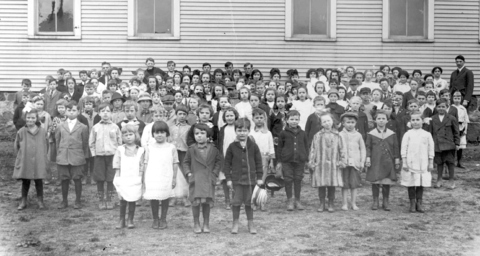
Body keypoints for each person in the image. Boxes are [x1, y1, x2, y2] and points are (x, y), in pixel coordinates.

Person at [224, 118, 263, 234]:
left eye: (244, 130)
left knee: (249, 202)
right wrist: (228, 179)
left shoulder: (254, 146)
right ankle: (235, 223)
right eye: (239, 130)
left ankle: (250, 224)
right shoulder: (231, 147)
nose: (242, 133)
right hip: (236, 181)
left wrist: (259, 178)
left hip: (250, 180)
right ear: (235, 131)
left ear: (248, 131)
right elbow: (227, 164)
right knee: (236, 203)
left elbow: (258, 163)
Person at [182, 123, 222, 234]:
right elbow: (185, 162)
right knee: (195, 202)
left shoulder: (214, 149)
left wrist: (214, 174)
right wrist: (189, 174)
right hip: (196, 179)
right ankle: (196, 223)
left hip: (208, 179)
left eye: (202, 133)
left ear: (208, 134)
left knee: (206, 202)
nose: (199, 136)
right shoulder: (191, 149)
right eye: (196, 133)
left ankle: (206, 223)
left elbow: (218, 162)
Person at [143, 121, 179, 230]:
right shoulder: (149, 147)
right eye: (157, 132)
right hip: (153, 176)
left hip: (166, 175)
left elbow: (175, 162)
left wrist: (174, 178)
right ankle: (155, 218)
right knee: (154, 197)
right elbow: (145, 162)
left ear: (167, 134)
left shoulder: (171, 147)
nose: (159, 135)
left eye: (162, 132)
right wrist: (144, 178)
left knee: (165, 197)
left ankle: (163, 218)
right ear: (153, 134)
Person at [308, 112, 346, 212]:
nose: (327, 123)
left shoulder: (338, 135)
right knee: (321, 184)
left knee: (331, 185)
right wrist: (311, 161)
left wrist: (342, 161)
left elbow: (342, 149)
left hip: (334, 164)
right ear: (321, 123)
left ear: (332, 121)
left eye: (328, 120)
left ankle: (331, 203)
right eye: (324, 121)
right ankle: (322, 203)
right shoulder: (317, 135)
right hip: (320, 164)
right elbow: (313, 149)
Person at [55, 102, 89, 209]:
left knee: (77, 178)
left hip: (77, 156)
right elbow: (57, 141)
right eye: (69, 110)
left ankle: (78, 201)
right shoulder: (60, 126)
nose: (71, 112)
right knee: (64, 179)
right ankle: (64, 201)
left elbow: (85, 143)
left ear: (78, 112)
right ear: (65, 111)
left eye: (74, 110)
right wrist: (59, 154)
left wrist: (82, 156)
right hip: (63, 156)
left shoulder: (83, 127)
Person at [365, 110, 400, 211]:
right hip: (376, 160)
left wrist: (397, 159)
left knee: (386, 181)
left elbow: (395, 147)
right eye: (379, 119)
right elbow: (368, 147)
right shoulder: (371, 134)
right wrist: (368, 158)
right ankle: (375, 201)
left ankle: (386, 201)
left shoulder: (392, 134)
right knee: (375, 181)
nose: (381, 120)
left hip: (388, 160)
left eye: (383, 118)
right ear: (375, 120)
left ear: (387, 120)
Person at [89, 103, 122, 210]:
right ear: (99, 113)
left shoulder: (115, 127)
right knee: (100, 178)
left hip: (112, 156)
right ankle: (101, 200)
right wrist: (94, 154)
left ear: (111, 113)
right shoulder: (95, 127)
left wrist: (118, 155)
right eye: (103, 111)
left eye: (108, 111)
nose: (105, 113)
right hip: (99, 157)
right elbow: (91, 142)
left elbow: (119, 142)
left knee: (110, 178)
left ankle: (109, 199)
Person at [13, 109, 48, 210]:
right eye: (28, 117)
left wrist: (44, 157)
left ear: (36, 119)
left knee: (39, 180)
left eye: (33, 118)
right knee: (25, 180)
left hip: (38, 159)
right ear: (25, 118)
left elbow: (46, 145)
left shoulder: (42, 131)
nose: (30, 120)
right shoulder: (21, 131)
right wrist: (19, 158)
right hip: (25, 159)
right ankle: (23, 201)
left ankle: (40, 201)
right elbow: (17, 145)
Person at [401, 111, 434, 213]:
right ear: (410, 121)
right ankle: (412, 203)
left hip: (422, 163)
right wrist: (405, 162)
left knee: (420, 183)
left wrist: (430, 162)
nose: (415, 122)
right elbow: (404, 149)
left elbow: (430, 149)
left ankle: (419, 203)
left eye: (417, 120)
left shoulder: (427, 134)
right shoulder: (407, 134)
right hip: (410, 162)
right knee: (411, 183)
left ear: (422, 121)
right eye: (413, 120)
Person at [113, 124, 145, 229]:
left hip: (135, 178)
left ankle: (130, 219)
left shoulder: (140, 150)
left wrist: (140, 177)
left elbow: (141, 165)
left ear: (135, 135)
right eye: (125, 135)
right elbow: (117, 164)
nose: (128, 137)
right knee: (123, 199)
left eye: (130, 134)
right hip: (123, 177)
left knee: (132, 199)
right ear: (122, 137)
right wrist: (118, 177)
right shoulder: (120, 149)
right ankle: (121, 219)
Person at [278, 110, 309, 211]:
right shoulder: (283, 133)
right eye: (291, 119)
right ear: (287, 120)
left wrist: (306, 159)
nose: (294, 121)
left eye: (296, 119)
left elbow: (306, 146)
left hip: (300, 161)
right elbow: (279, 148)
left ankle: (297, 200)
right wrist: (279, 161)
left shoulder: (303, 133)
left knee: (298, 179)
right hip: (287, 161)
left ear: (299, 120)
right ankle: (289, 200)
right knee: (288, 179)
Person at [430, 98, 460, 189]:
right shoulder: (432, 119)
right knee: (439, 162)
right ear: (436, 107)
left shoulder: (451, 118)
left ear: (447, 107)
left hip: (449, 144)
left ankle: (451, 180)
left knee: (450, 162)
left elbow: (456, 132)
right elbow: (430, 133)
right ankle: (439, 179)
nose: (441, 108)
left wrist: (457, 143)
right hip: (437, 144)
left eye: (443, 106)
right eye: (439, 107)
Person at [250, 108, 275, 211]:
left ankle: (262, 202)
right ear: (253, 119)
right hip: (253, 158)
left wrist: (272, 161)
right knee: (254, 180)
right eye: (257, 118)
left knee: (262, 181)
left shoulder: (268, 133)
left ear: (264, 119)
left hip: (265, 158)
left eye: (261, 118)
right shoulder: (251, 133)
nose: (259, 120)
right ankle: (253, 201)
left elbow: (271, 147)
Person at [339, 112, 366, 211]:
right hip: (344, 163)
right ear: (343, 123)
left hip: (355, 163)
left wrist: (362, 161)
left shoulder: (358, 135)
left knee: (354, 184)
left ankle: (353, 203)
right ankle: (344, 203)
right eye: (348, 122)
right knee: (345, 184)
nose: (350, 124)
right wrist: (339, 161)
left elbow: (362, 149)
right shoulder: (339, 135)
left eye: (352, 122)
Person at [217, 107, 239, 210]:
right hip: (225, 157)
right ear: (224, 118)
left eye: (231, 115)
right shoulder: (222, 129)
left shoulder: (238, 128)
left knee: (235, 178)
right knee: (225, 179)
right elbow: (220, 144)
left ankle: (235, 199)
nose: (229, 118)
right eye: (227, 116)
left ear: (235, 116)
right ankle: (227, 199)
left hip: (236, 157)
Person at [169, 105, 191, 207]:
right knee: (174, 174)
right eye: (180, 114)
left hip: (184, 153)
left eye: (184, 114)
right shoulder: (171, 127)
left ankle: (185, 197)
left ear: (187, 116)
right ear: (176, 115)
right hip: (173, 153)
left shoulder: (189, 128)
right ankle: (173, 197)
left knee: (184, 173)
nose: (182, 116)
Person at [452, 91, 469, 168]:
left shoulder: (463, 108)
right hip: (452, 129)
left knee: (460, 146)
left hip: (461, 128)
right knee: (452, 145)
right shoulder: (451, 108)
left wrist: (465, 130)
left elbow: (466, 120)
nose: (457, 100)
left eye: (458, 98)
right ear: (452, 99)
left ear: (461, 99)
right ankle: (451, 161)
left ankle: (459, 161)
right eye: (455, 98)